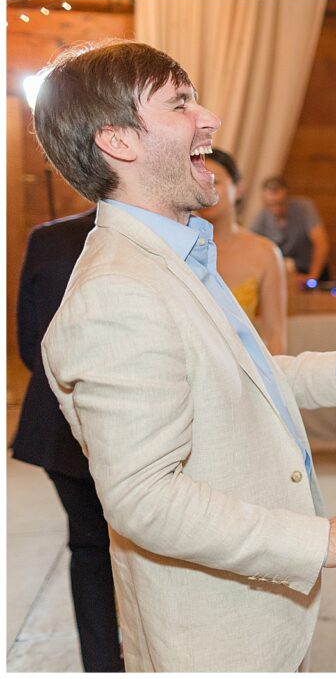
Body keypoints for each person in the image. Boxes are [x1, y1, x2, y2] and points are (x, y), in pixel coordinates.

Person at [31, 39, 336, 672]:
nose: (209, 119)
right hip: (214, 637)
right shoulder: (117, 293)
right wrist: (319, 539)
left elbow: (230, 374)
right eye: (181, 103)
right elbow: (146, 499)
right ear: (119, 142)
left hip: (257, 619)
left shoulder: (174, 254)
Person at [12, 208, 124, 672]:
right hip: (133, 418)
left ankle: (102, 666)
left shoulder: (48, 238)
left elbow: (27, 343)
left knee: (89, 545)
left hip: (58, 422)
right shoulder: (155, 235)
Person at [202, 148, 288, 354]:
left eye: (214, 182)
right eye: (196, 180)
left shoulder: (265, 252)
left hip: (244, 371)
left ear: (238, 188)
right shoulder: (175, 246)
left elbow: (275, 335)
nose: (205, 188)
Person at [251, 175, 331, 285]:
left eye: (281, 203)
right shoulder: (260, 219)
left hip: (311, 269)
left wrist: (312, 277)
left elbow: (321, 243)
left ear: (287, 197)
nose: (276, 209)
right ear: (263, 201)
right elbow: (252, 251)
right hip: (281, 274)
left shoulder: (304, 209)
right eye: (271, 205)